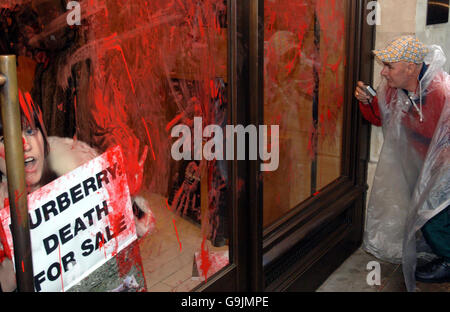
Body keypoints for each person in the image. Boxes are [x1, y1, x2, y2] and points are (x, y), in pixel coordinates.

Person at [0, 94, 155, 292]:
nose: (25, 145)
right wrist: (14, 268)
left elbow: (126, 232)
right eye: (6, 138)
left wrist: (127, 199)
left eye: (30, 131)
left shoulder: (75, 166)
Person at [354, 35, 449, 291]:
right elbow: (382, 119)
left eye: (389, 66)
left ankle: (448, 261)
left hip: (444, 168)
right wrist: (367, 102)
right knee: (426, 214)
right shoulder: (398, 91)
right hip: (421, 163)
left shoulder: (441, 91)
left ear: (410, 66)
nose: (383, 73)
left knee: (436, 215)